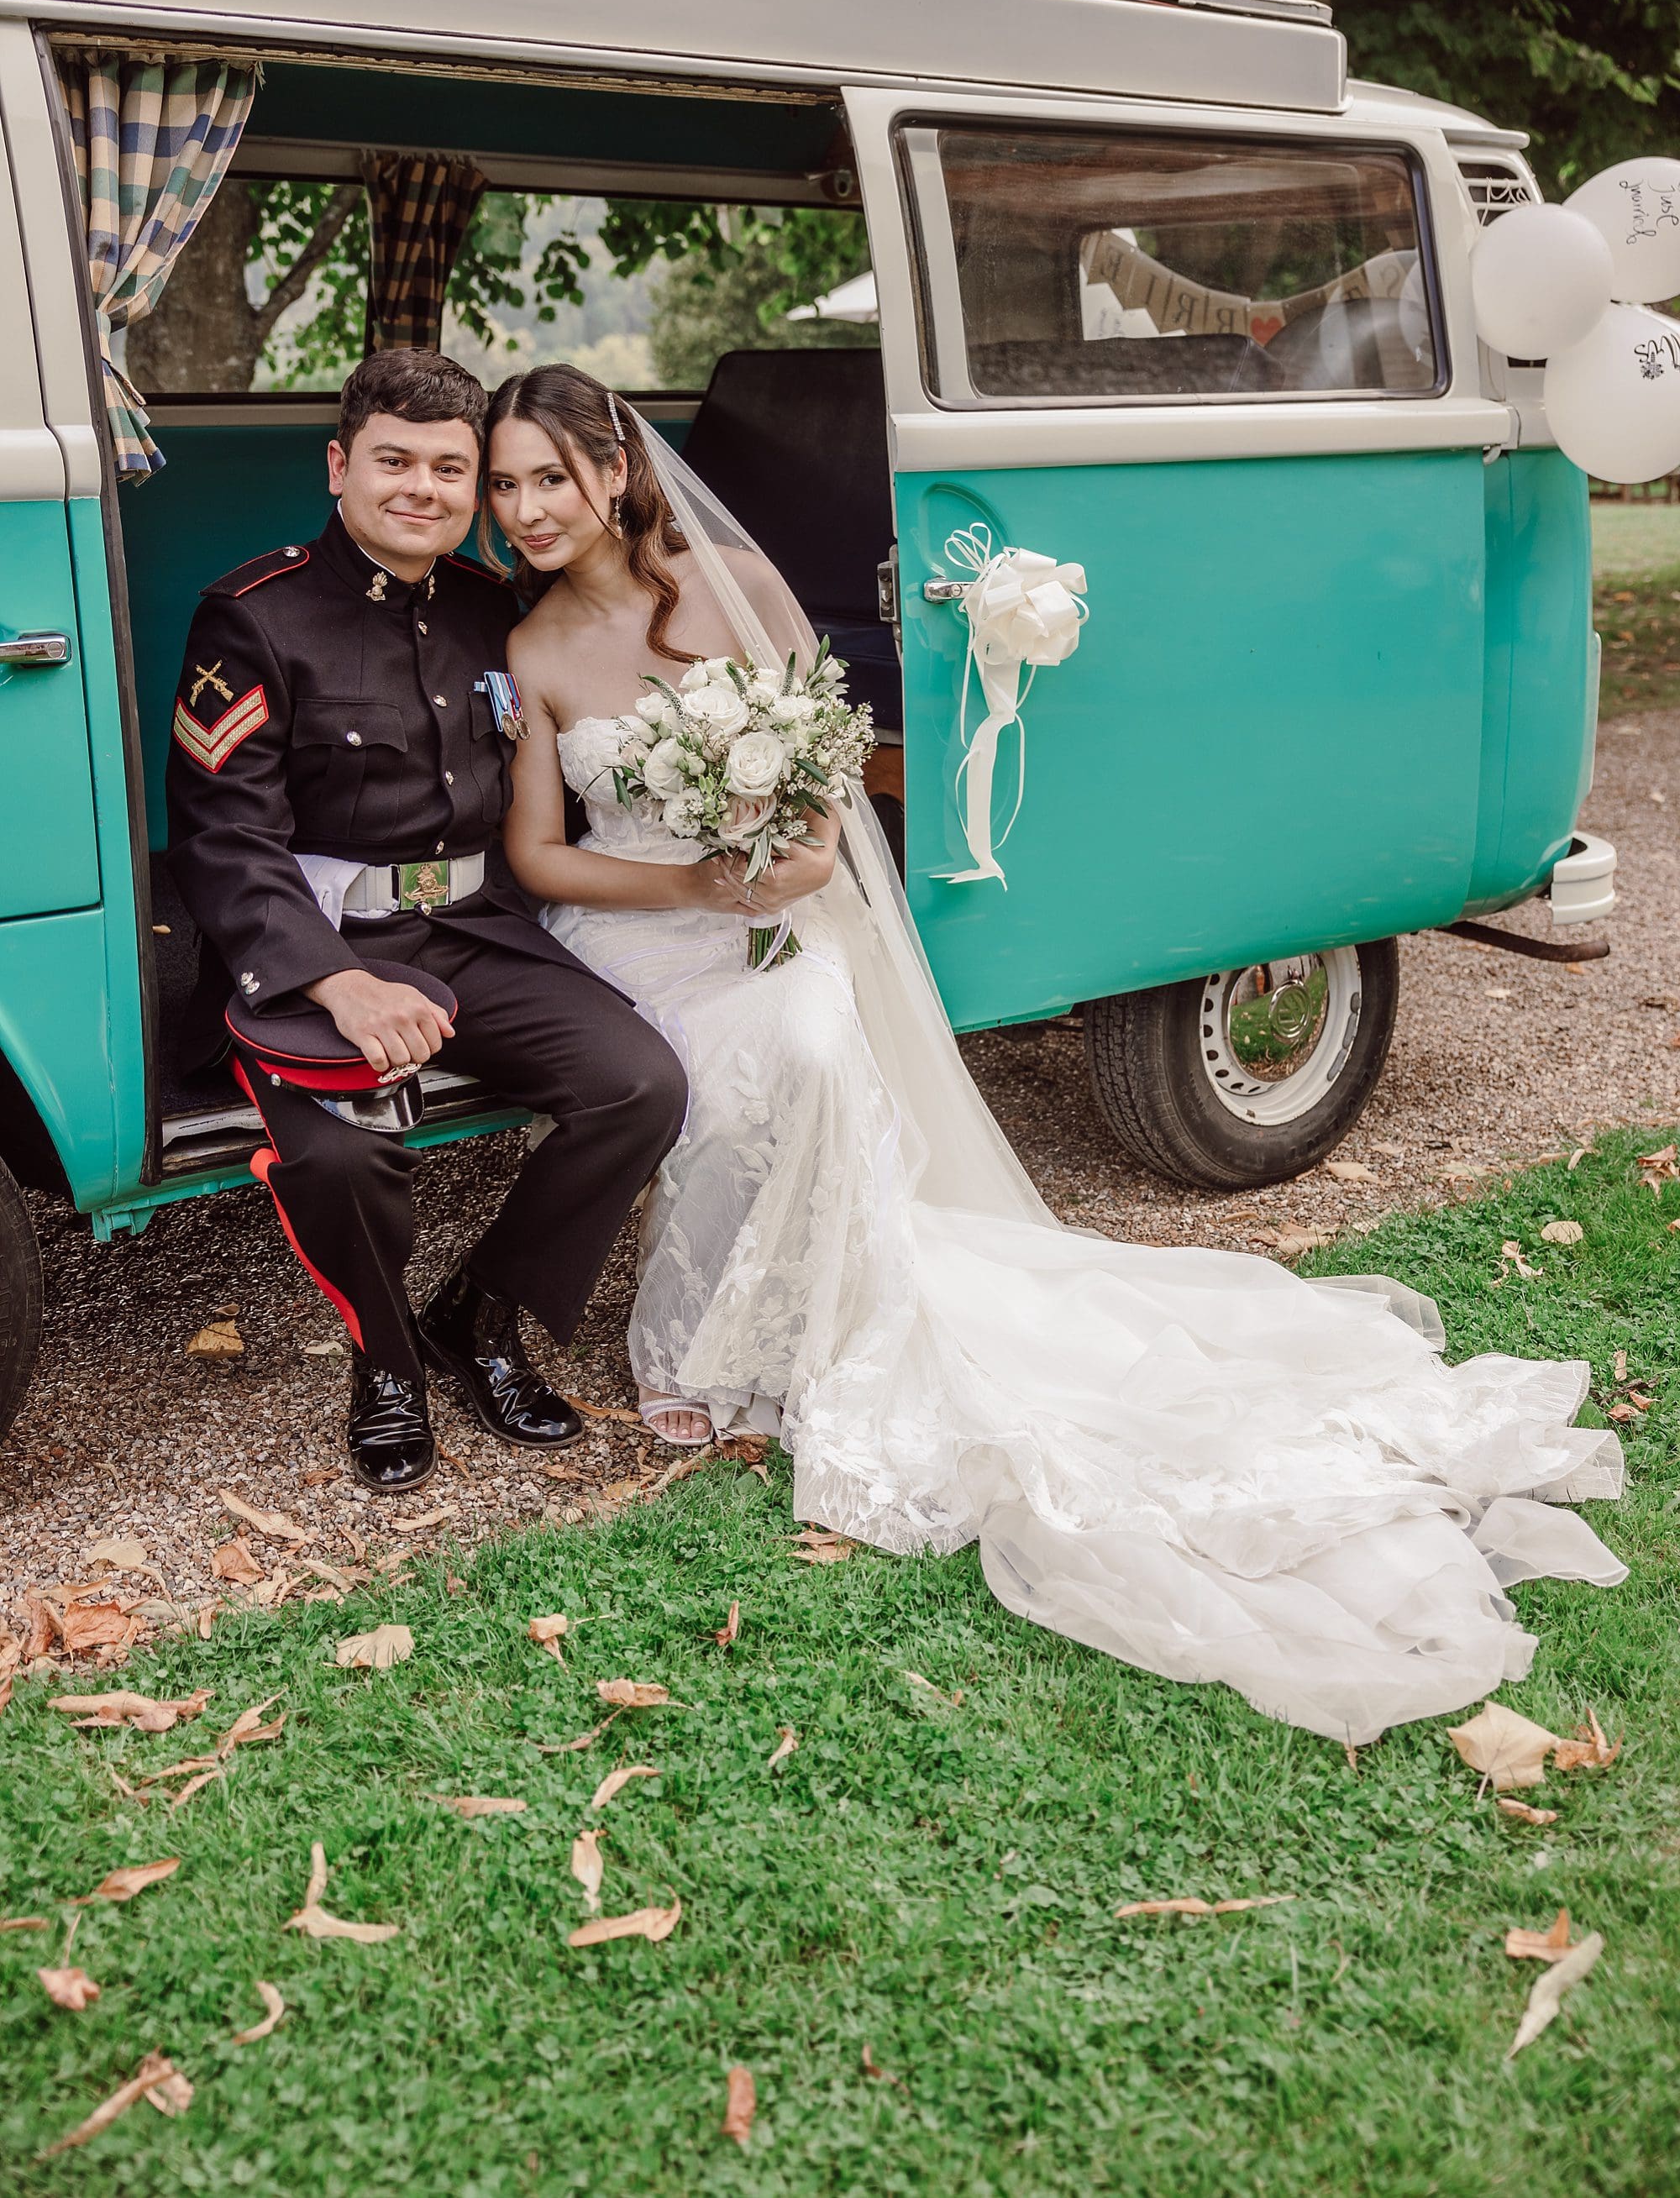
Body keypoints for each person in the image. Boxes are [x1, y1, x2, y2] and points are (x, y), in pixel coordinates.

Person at [491, 361, 1626, 1747]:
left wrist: (792, 856)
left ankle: (786, 1331)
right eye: (506, 485)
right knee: (727, 1069)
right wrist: (691, 886)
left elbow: (824, 773)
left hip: (772, 917)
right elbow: (540, 853)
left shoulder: (737, 587)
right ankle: (692, 1348)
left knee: (817, 1036)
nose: (526, 507)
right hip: (637, 931)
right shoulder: (533, 647)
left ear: (615, 470)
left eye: (550, 476)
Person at [165, 349, 688, 1494]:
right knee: (342, 1151)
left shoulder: (493, 609)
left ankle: (478, 1318)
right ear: (339, 465)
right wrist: (332, 981)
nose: (424, 488)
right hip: (324, 945)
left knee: (639, 1084)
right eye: (394, 461)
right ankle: (388, 1363)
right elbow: (221, 837)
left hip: (476, 928)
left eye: (452, 469)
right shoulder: (254, 617)